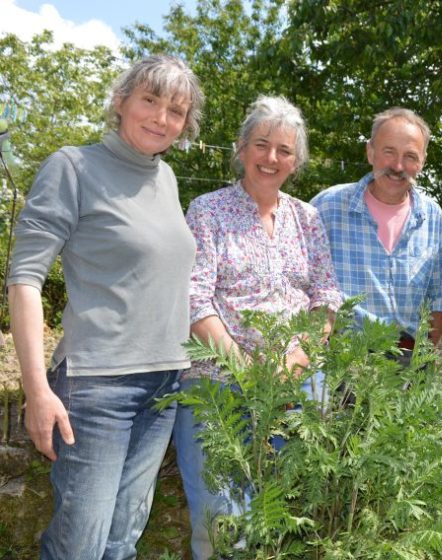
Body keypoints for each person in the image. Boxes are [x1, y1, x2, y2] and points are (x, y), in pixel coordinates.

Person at [7, 55, 203, 559]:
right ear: (121, 101)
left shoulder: (167, 180)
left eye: (176, 110)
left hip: (164, 384)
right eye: (151, 100)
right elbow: (25, 278)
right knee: (81, 547)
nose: (162, 118)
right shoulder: (72, 167)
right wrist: (36, 389)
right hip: (97, 389)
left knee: (121, 542)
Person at [174, 94, 343, 560]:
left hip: (297, 386)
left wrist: (297, 358)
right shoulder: (207, 211)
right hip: (218, 382)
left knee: (287, 517)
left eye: (284, 150)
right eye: (262, 145)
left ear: (296, 161)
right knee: (220, 521)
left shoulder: (307, 219)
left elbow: (326, 297)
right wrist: (243, 366)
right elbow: (193, 296)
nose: (272, 158)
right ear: (242, 148)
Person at [310, 107, 442, 353]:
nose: (398, 166)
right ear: (370, 152)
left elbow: (439, 298)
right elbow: (303, 285)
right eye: (389, 152)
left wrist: (420, 363)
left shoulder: (432, 217)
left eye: (410, 156)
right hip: (338, 360)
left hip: (405, 361)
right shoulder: (327, 207)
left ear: (422, 161)